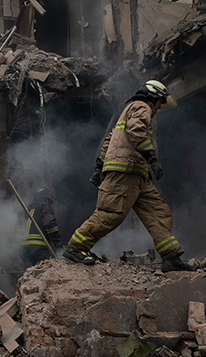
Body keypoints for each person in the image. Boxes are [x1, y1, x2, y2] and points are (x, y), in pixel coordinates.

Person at [65, 80, 192, 272]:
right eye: (160, 102)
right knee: (110, 214)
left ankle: (170, 257)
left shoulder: (128, 111)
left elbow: (110, 139)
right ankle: (76, 248)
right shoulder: (142, 106)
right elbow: (136, 131)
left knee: (158, 213)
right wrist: (153, 158)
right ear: (154, 97)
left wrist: (99, 166)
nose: (159, 107)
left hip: (137, 174)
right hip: (125, 171)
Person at [20, 188, 61, 268]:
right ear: (46, 199)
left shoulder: (26, 208)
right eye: (49, 201)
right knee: (43, 270)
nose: (49, 203)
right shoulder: (44, 206)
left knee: (28, 272)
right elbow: (49, 223)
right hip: (39, 247)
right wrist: (57, 242)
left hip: (24, 249)